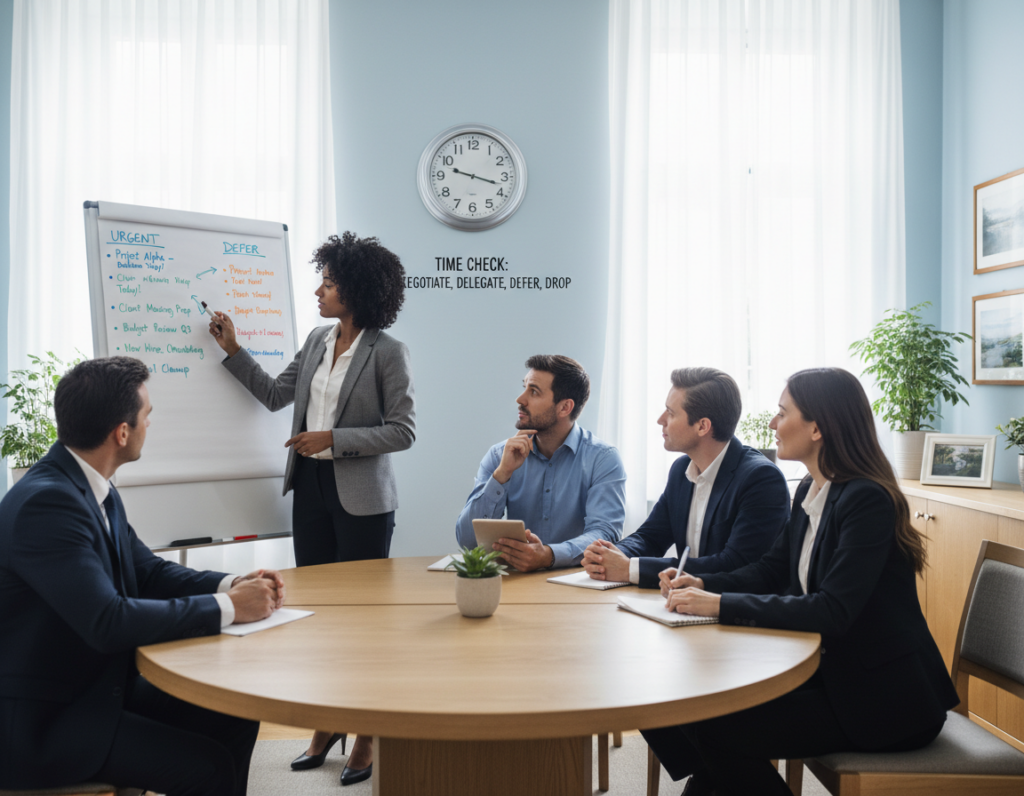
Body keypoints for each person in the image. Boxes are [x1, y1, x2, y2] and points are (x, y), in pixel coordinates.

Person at [643, 368, 959, 796]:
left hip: (883, 699)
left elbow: (833, 610)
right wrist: (701, 581)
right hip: (828, 673)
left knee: (717, 731)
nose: (772, 423)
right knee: (685, 708)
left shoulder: (866, 500)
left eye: (781, 412)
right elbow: (771, 570)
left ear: (817, 428)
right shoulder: (812, 487)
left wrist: (717, 604)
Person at [0, 356, 284, 796]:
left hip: (95, 691)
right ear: (122, 432)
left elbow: (147, 571)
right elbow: (107, 622)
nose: (152, 422)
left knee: (234, 709)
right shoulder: (47, 505)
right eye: (147, 414)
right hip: (45, 722)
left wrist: (232, 585)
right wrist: (229, 609)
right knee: (207, 768)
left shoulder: (91, 485)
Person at [209, 231, 415, 786]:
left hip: (364, 502)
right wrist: (233, 350)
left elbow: (403, 431)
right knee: (321, 616)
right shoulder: (319, 339)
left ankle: (367, 732)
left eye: (329, 281)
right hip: (312, 492)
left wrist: (333, 438)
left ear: (358, 291)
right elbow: (278, 395)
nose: (319, 290)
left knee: (364, 625)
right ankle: (327, 725)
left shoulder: (388, 352)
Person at [581, 367, 790, 587]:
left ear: (702, 426)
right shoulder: (681, 470)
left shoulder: (761, 479)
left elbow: (735, 563)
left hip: (733, 611)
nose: (661, 420)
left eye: (671, 413)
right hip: (683, 604)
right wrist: (609, 555)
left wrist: (629, 569)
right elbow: (650, 537)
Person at [455, 355, 625, 571]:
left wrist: (549, 555)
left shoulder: (603, 459)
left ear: (564, 408)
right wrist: (502, 475)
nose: (520, 399)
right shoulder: (500, 456)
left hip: (577, 582)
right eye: (524, 387)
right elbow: (468, 541)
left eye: (533, 392)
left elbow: (604, 533)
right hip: (517, 584)